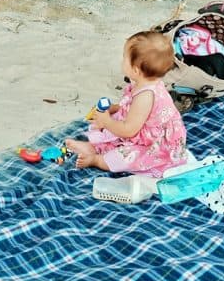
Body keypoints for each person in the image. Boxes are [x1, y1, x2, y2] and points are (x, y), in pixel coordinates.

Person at [66, 31, 188, 178]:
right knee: (112, 124)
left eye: (124, 58)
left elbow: (128, 130)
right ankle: (92, 147)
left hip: (154, 145)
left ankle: (97, 160)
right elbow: (134, 109)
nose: (122, 61)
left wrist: (107, 121)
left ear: (136, 70)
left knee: (125, 156)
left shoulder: (145, 96)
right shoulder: (144, 82)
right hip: (141, 126)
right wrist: (116, 108)